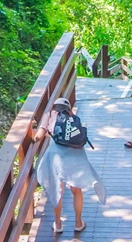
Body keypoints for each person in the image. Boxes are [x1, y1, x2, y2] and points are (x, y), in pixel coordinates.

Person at [35, 96, 106, 234]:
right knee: (76, 190)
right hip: (76, 158)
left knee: (58, 190)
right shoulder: (73, 118)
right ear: (68, 109)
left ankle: (58, 224)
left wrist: (33, 136)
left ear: (54, 107)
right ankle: (78, 223)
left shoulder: (49, 116)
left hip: (57, 158)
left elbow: (39, 135)